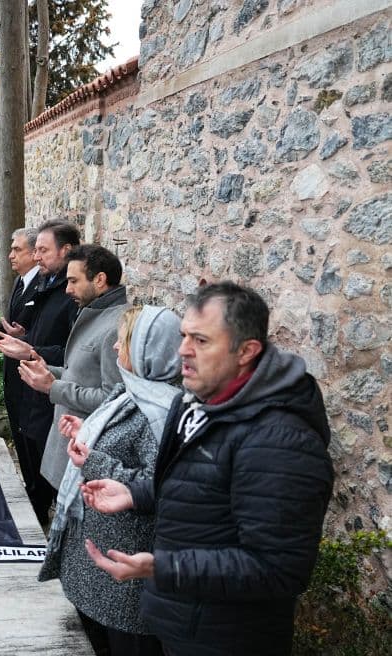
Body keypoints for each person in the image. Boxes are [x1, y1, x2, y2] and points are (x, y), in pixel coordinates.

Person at [81, 282, 334, 656]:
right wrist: (137, 492)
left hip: (229, 638)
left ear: (247, 351)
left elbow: (276, 568)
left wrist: (163, 568)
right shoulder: (197, 404)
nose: (183, 350)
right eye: (184, 336)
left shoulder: (281, 441)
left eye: (200, 341)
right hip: (182, 624)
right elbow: (204, 486)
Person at [39, 306, 181, 656]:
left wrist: (95, 459)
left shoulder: (159, 412)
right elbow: (116, 440)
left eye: (124, 342)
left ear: (148, 351)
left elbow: (161, 486)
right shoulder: (131, 391)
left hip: (124, 570)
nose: (116, 348)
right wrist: (86, 432)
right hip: (100, 561)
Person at [18, 243, 129, 491]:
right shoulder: (93, 313)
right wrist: (46, 370)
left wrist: (53, 387)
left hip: (89, 454)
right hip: (71, 449)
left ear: (100, 280)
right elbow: (80, 374)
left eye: (73, 281)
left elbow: (114, 399)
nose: (67, 289)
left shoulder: (116, 326)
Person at [0, 220, 80, 520]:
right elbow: (42, 334)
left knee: (48, 456)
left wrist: (30, 349)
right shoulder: (47, 283)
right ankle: (37, 508)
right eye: (37, 250)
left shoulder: (70, 295)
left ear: (66, 251)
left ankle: (48, 510)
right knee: (30, 449)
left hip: (54, 388)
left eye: (43, 250)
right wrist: (22, 338)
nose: (38, 256)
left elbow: (71, 352)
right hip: (33, 384)